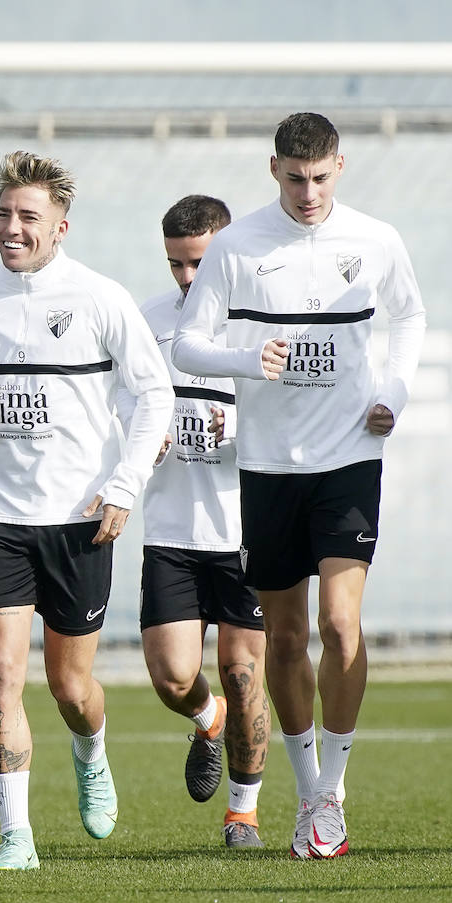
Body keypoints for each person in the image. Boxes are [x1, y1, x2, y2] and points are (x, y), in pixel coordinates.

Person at [173, 112, 425, 859]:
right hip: (269, 464)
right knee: (285, 635)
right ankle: (307, 785)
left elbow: (410, 317)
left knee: (342, 625)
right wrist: (252, 362)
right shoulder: (237, 246)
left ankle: (330, 796)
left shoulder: (375, 240)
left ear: (339, 169)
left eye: (319, 177)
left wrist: (396, 394)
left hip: (350, 454)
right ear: (273, 170)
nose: (307, 192)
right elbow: (190, 340)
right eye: (293, 177)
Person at [0, 150, 172, 871]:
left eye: (27, 216)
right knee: (3, 674)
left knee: (72, 689)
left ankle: (90, 751)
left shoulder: (101, 298)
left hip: (80, 518)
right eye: (3, 213)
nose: (11, 227)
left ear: (61, 227)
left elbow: (153, 395)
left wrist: (125, 485)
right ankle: (16, 836)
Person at [131, 195, 269, 849]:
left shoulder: (259, 326)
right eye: (176, 265)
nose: (187, 279)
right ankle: (205, 719)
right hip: (171, 530)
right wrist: (138, 440)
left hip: (246, 531)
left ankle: (243, 813)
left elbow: (295, 420)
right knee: (173, 678)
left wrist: (237, 427)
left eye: (198, 263)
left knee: (244, 675)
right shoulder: (147, 322)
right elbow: (117, 407)